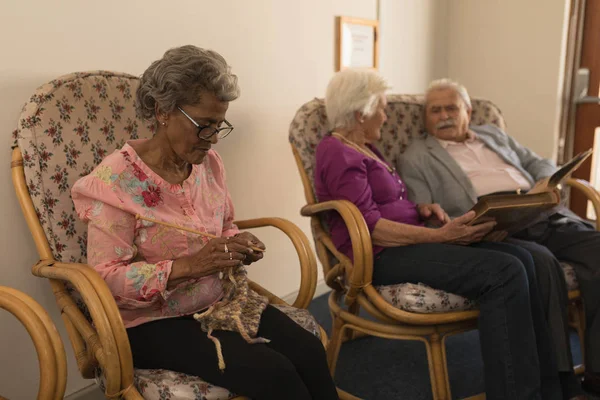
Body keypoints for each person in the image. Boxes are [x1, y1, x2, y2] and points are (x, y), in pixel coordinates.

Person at [71, 45, 339, 400]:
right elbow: (105, 278)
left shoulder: (208, 163)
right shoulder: (116, 183)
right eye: (204, 125)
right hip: (150, 323)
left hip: (218, 300)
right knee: (276, 374)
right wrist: (186, 267)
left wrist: (237, 244)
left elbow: (225, 225)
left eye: (219, 125)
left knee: (309, 349)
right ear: (162, 111)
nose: (212, 138)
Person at [315, 68, 565, 400]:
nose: (387, 117)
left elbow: (386, 203)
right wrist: (442, 236)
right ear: (362, 112)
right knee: (504, 272)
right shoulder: (337, 152)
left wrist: (421, 210)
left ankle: (544, 387)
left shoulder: (363, 146)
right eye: (383, 108)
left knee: (522, 257)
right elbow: (369, 225)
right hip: (380, 254)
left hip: (407, 241)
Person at [399, 78, 600, 398]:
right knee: (540, 264)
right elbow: (424, 209)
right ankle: (557, 380)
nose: (442, 116)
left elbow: (538, 161)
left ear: (468, 110)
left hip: (542, 212)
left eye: (450, 107)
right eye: (434, 110)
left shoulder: (492, 133)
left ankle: (597, 371)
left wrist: (546, 181)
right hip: (498, 224)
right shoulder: (417, 155)